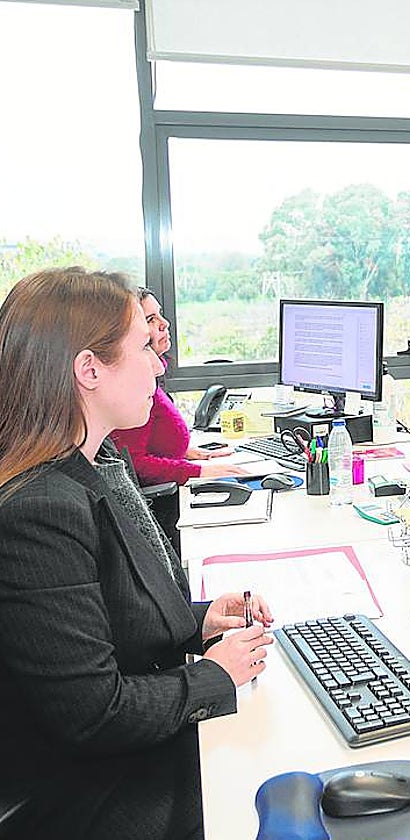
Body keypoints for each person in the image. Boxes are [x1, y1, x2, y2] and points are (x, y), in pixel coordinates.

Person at [0, 267, 275, 840]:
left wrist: (201, 620)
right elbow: (95, 713)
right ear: (89, 369)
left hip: (118, 757)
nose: (158, 365)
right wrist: (216, 678)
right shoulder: (39, 509)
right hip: (89, 793)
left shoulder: (95, 466)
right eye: (143, 348)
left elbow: (104, 615)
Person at [110, 289, 246, 485]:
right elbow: (133, 464)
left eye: (160, 314)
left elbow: (152, 443)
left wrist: (190, 454)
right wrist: (198, 471)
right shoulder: (132, 388)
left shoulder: (152, 378)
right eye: (150, 319)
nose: (164, 323)